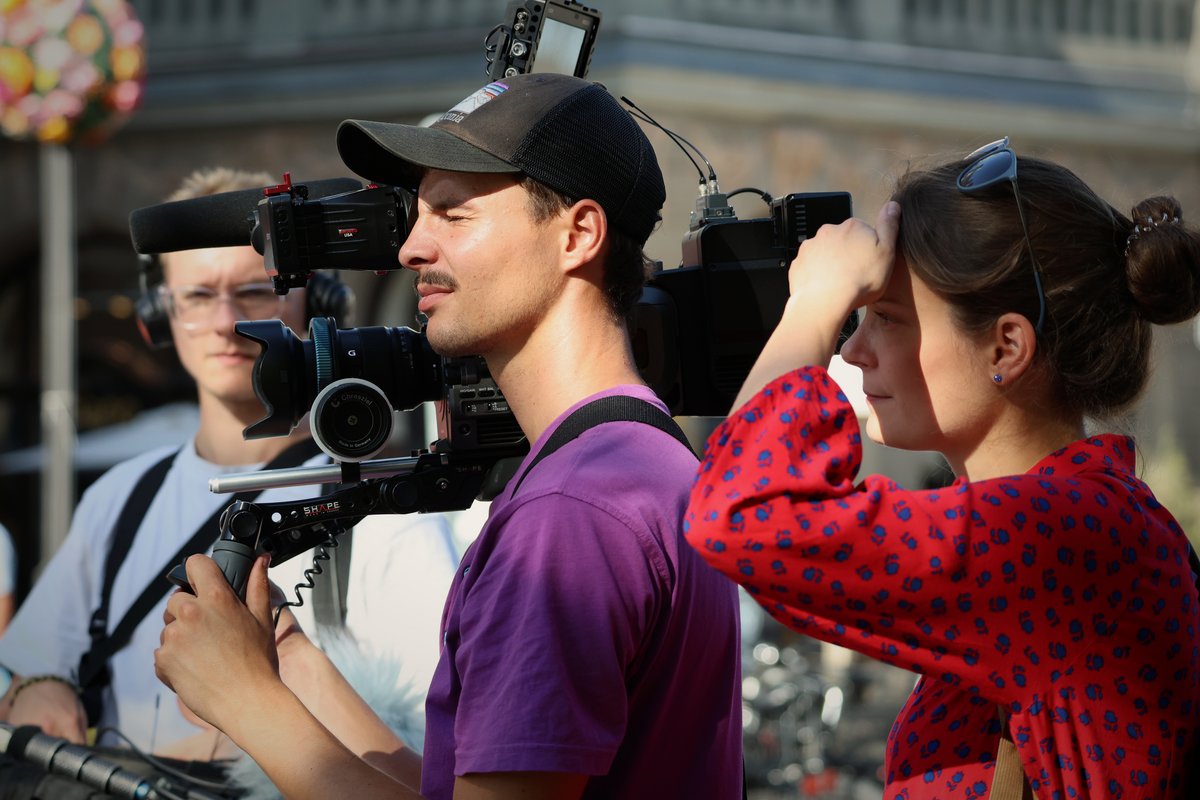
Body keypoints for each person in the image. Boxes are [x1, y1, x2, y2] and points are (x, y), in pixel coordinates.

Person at [153, 72, 744, 800]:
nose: (411, 247)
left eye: (453, 214)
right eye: (416, 214)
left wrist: (246, 701)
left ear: (578, 235)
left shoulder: (567, 517)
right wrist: (293, 667)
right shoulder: (643, 459)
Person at [684, 137, 1200, 799]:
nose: (855, 348)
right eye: (855, 316)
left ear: (1006, 345)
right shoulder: (1055, 521)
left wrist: (812, 303)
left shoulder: (1063, 532)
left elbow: (742, 514)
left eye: (887, 317)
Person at [0, 167, 457, 760]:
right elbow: (23, 667)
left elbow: (442, 749)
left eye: (252, 291)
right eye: (196, 296)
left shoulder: (388, 506)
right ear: (158, 315)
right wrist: (40, 689)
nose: (224, 322)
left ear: (315, 300)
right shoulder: (118, 499)